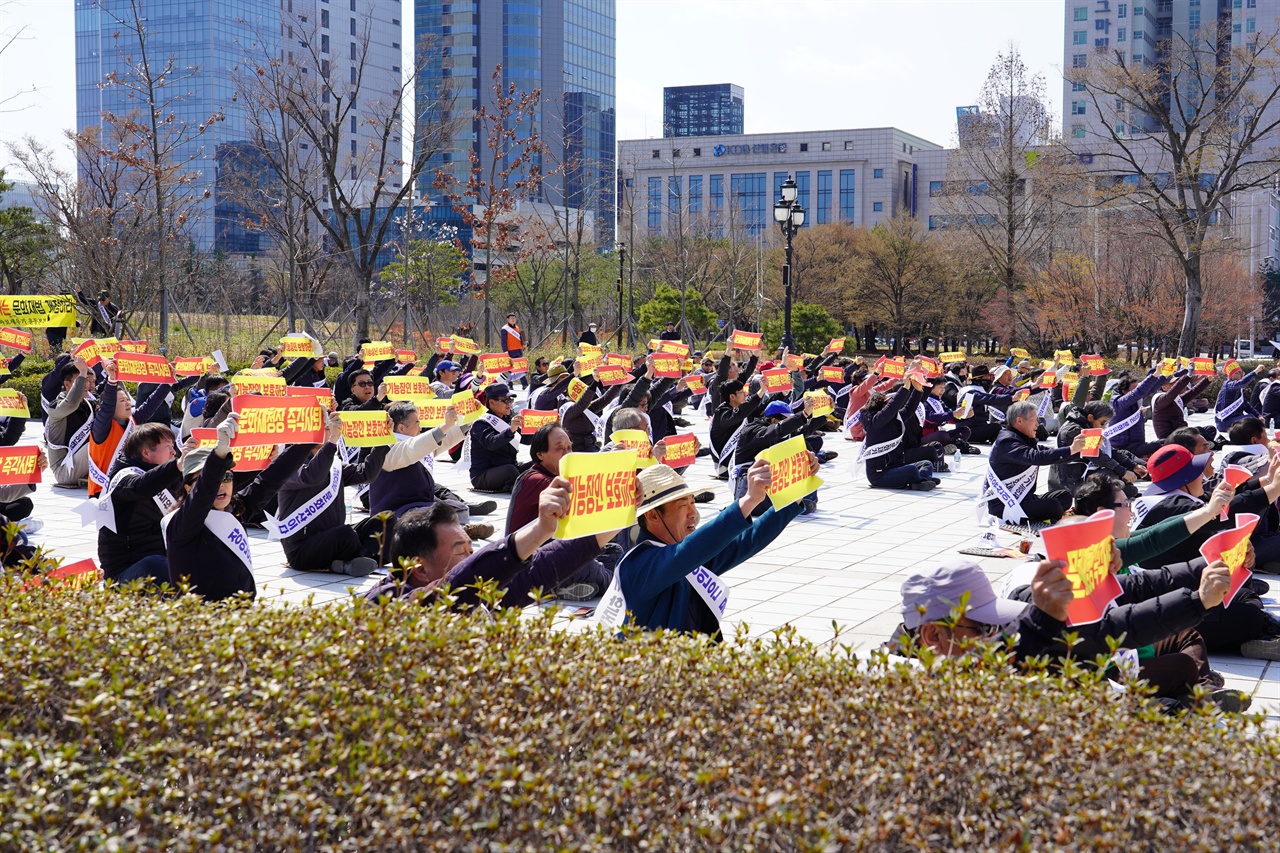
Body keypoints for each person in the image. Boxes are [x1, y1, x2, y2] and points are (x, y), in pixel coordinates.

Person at [596, 456, 819, 637]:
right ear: (653, 515)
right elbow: (688, 552)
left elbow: (746, 541)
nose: (693, 513)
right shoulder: (639, 564)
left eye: (693, 503)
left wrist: (794, 496)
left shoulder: (683, 556)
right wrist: (748, 500)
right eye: (683, 505)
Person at [364, 479, 618, 610]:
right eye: (460, 550)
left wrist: (622, 511)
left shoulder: (480, 594)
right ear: (419, 568)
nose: (471, 554)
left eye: (470, 548)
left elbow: (546, 564)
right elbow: (458, 582)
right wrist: (539, 530)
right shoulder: (386, 606)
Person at [274, 409, 391, 575]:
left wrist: (382, 441)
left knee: (386, 520)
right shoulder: (288, 463)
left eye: (331, 427)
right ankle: (358, 559)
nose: (331, 431)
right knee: (346, 534)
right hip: (302, 549)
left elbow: (367, 474)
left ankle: (360, 559)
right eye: (326, 427)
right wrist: (332, 442)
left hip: (332, 537)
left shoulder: (333, 463)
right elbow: (312, 476)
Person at [368, 401, 495, 538]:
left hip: (421, 503)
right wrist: (445, 426)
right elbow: (412, 449)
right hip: (396, 509)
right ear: (401, 427)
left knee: (459, 509)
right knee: (430, 516)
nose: (420, 427)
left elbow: (443, 440)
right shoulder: (387, 449)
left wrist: (468, 420)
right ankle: (459, 531)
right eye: (417, 423)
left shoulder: (416, 443)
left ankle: (456, 531)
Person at [95, 422, 186, 585]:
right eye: (167, 446)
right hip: (125, 573)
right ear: (146, 452)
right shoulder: (124, 477)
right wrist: (177, 466)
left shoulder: (168, 476)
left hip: (160, 558)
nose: (174, 452)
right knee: (157, 565)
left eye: (173, 446)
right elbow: (140, 487)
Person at [981, 400, 1086, 524]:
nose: (1037, 425)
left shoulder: (1022, 438)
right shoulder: (1007, 442)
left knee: (1064, 496)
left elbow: (1048, 453)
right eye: (1034, 420)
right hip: (1006, 504)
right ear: (1019, 421)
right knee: (1053, 506)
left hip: (1024, 497)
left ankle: (1043, 517)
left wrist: (1082, 452)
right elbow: (1035, 457)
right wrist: (1071, 449)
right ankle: (1045, 518)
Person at [87, 357, 176, 497]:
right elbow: (107, 406)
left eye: (127, 399)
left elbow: (152, 403)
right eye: (122, 401)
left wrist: (168, 381)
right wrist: (111, 380)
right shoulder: (101, 428)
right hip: (102, 491)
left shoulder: (131, 421)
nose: (128, 403)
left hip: (125, 486)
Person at [859, 375, 938, 491]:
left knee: (926, 464)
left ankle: (920, 481)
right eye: (886, 403)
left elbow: (909, 409)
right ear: (879, 406)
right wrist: (905, 388)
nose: (889, 406)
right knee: (912, 470)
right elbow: (890, 409)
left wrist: (918, 390)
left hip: (896, 467)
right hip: (879, 475)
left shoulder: (893, 419)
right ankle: (920, 480)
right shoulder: (874, 421)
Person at [1050, 400, 1144, 497]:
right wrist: (1123, 471)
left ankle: (1119, 488)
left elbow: (1110, 451)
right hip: (1070, 480)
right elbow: (1098, 456)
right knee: (1108, 475)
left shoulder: (1087, 425)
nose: (1104, 427)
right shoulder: (1075, 430)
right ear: (1090, 417)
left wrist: (1133, 466)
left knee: (1121, 461)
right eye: (1103, 422)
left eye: (1107, 423)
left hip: (1082, 470)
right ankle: (1118, 489)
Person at [43, 355, 93, 488]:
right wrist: (82, 372)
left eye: (87, 380)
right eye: (81, 380)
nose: (86, 384)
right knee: (98, 442)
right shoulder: (56, 407)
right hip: (65, 469)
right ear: (67, 384)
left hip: (85, 466)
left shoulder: (89, 405)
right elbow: (71, 403)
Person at [467, 383, 523, 492]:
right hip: (483, 475)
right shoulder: (481, 423)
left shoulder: (508, 419)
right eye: (505, 401)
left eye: (510, 400)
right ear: (492, 402)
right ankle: (522, 489)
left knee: (538, 463)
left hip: (506, 466)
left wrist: (544, 429)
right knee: (510, 471)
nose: (509, 404)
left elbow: (527, 439)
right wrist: (511, 430)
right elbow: (492, 443)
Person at [1105, 367, 1165, 458]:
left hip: (1137, 444)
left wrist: (1167, 373)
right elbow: (1138, 392)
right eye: (1134, 389)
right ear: (1124, 391)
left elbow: (1153, 387)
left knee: (1168, 442)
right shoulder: (1118, 402)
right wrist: (1155, 375)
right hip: (1122, 448)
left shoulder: (1134, 399)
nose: (1138, 391)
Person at [1153, 368, 1215, 442]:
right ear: (1163, 387)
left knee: (1210, 429)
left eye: (1176, 381)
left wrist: (1207, 380)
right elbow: (1175, 390)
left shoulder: (1176, 398)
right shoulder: (1160, 400)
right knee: (1196, 435)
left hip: (1181, 432)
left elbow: (1193, 392)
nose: (1175, 383)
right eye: (1172, 383)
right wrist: (1188, 376)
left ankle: (1201, 444)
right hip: (1170, 436)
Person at [1216, 362, 1266, 433]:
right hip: (1225, 422)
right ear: (1232, 375)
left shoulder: (1238, 390)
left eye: (1242, 372)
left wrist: (1259, 416)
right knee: (1251, 419)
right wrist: (1256, 371)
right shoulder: (1228, 385)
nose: (1242, 375)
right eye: (1239, 372)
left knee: (1254, 419)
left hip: (1235, 420)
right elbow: (1242, 383)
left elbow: (1247, 406)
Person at [499, 314, 526, 389]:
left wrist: (523, 345)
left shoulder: (517, 328)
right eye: (511, 318)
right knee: (509, 368)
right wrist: (506, 352)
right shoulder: (504, 329)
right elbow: (503, 342)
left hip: (518, 350)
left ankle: (524, 384)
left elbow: (520, 339)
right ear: (508, 319)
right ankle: (510, 384)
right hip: (510, 351)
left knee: (521, 368)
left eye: (514, 318)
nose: (513, 319)